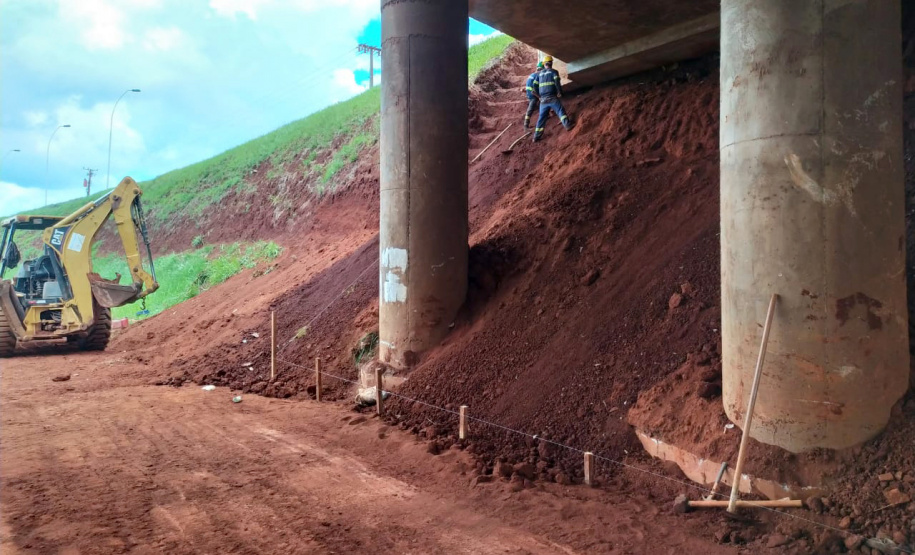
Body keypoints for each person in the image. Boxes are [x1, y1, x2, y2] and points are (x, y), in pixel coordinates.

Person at [533, 56, 572, 142]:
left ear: (544, 64)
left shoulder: (539, 74)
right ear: (551, 63)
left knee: (541, 118)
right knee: (560, 111)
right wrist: (560, 92)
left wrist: (539, 97)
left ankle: (536, 136)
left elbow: (533, 88)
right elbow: (557, 83)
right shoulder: (554, 72)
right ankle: (567, 125)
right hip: (552, 97)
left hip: (543, 100)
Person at [522, 61, 543, 129]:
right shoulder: (538, 76)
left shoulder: (532, 75)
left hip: (529, 94)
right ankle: (526, 125)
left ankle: (547, 114)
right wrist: (539, 97)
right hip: (533, 95)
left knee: (539, 102)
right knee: (530, 109)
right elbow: (534, 91)